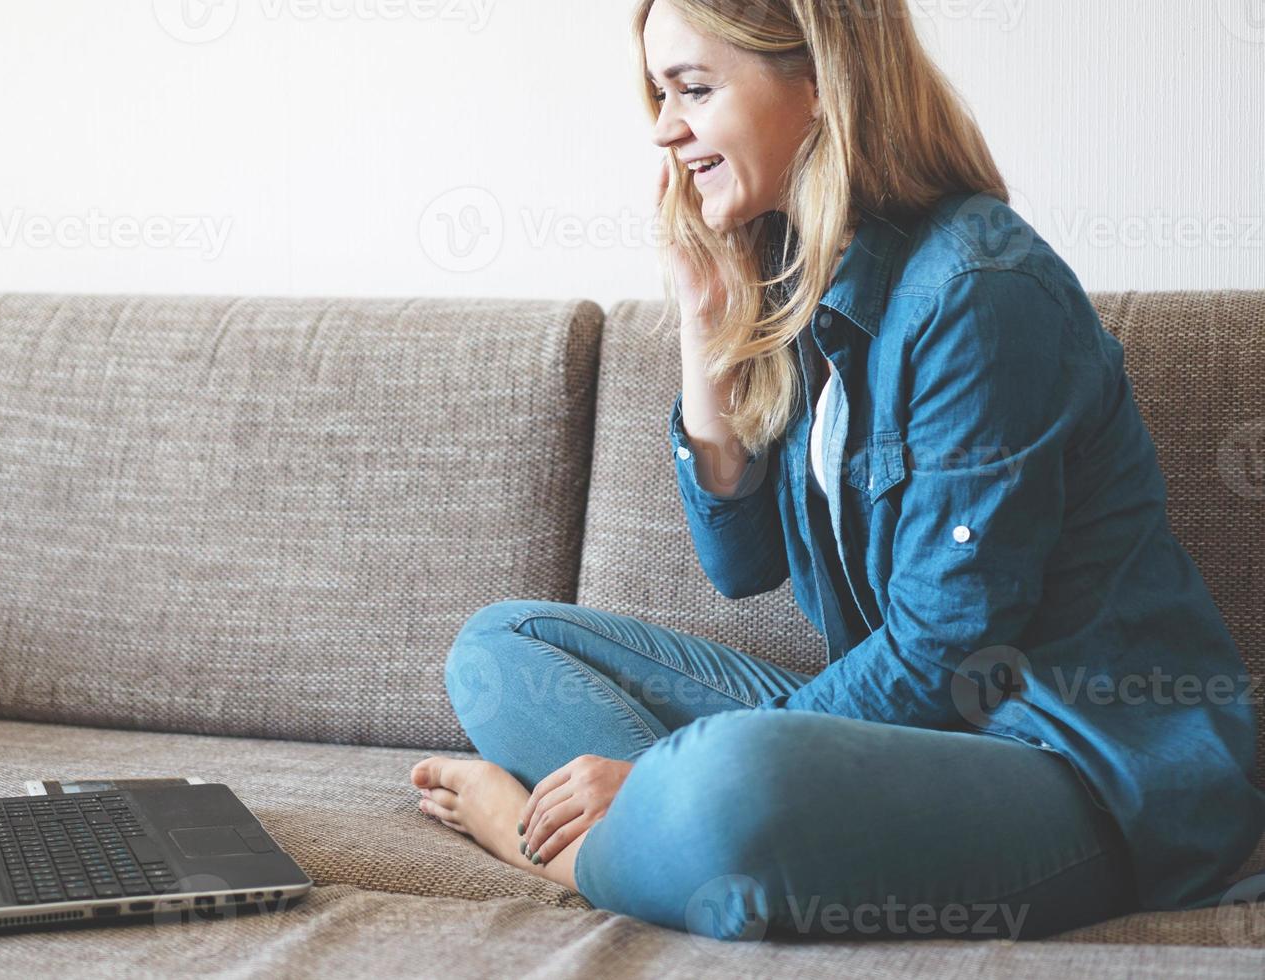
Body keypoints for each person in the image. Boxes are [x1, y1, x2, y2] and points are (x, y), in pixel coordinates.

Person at [409, 0, 1264, 942]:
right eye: (659, 92)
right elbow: (744, 567)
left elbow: (946, 658)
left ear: (819, 82)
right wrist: (705, 320)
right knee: (503, 649)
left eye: (693, 88)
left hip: (1077, 774)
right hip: (897, 736)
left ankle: (568, 845)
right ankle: (678, 837)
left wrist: (655, 776)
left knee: (729, 786)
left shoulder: (978, 292)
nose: (663, 126)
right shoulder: (809, 279)